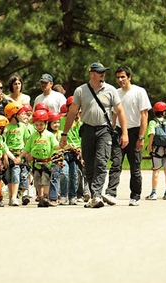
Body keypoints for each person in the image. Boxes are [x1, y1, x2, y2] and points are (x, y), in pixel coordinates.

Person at [59, 62, 129, 208]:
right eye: (99, 72)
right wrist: (64, 133)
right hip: (87, 130)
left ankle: (96, 194)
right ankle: (94, 194)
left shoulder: (110, 90)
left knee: (101, 162)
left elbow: (120, 111)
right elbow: (72, 112)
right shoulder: (80, 91)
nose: (102, 74)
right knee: (89, 165)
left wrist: (125, 133)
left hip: (105, 130)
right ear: (91, 74)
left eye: (104, 71)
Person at [105, 66, 151, 206]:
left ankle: (135, 195)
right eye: (118, 77)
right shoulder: (116, 93)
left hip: (135, 131)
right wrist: (111, 129)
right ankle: (111, 193)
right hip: (119, 131)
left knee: (135, 166)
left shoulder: (139, 92)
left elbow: (144, 115)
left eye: (123, 77)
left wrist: (141, 137)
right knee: (116, 163)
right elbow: (114, 114)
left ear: (129, 77)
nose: (120, 80)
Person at [16, 110, 60, 207]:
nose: (39, 127)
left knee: (46, 180)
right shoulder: (33, 137)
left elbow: (56, 146)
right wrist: (20, 157)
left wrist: (62, 146)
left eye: (41, 124)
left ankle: (45, 197)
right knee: (37, 181)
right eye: (37, 125)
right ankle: (40, 198)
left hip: (47, 163)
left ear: (46, 123)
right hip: (36, 163)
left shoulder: (49, 135)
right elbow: (27, 149)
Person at [145, 102, 166, 200]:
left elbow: (152, 134)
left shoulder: (153, 122)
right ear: (164, 112)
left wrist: (149, 146)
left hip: (156, 148)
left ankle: (154, 193)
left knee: (156, 170)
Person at [4, 102, 30, 206]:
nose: (24, 115)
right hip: (9, 154)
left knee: (15, 174)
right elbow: (3, 143)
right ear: (13, 115)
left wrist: (27, 155)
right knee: (9, 176)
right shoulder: (6, 128)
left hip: (18, 156)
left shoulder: (23, 127)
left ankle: (14, 197)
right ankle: (11, 196)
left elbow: (27, 141)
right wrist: (5, 157)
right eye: (22, 113)